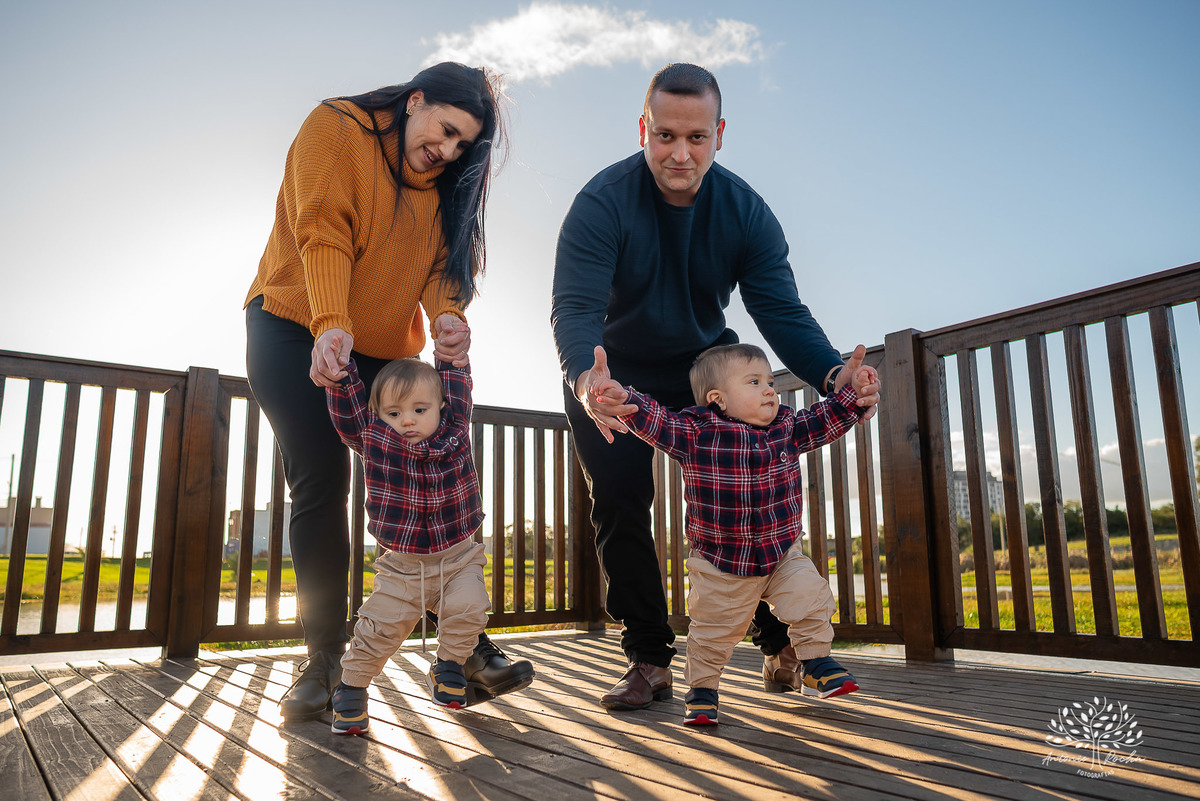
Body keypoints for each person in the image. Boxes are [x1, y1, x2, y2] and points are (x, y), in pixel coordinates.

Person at [550, 62, 881, 710]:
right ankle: (649, 659)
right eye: (665, 135)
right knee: (619, 505)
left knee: (745, 491)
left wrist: (832, 372)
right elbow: (575, 304)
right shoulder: (602, 202)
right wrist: (588, 378)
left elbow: (780, 310)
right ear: (643, 129)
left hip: (702, 366)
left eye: (695, 137)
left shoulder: (743, 211)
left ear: (719, 134)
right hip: (609, 372)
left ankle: (779, 639)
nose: (680, 151)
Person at [244, 62, 533, 722]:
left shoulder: (442, 183)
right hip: (295, 323)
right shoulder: (335, 128)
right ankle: (322, 663)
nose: (449, 150)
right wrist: (331, 329)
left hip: (385, 351)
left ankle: (470, 651)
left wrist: (450, 319)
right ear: (417, 99)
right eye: (446, 131)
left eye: (464, 145)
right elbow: (324, 229)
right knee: (319, 480)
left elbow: (442, 271)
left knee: (427, 477)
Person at [590, 343, 876, 724]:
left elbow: (826, 418)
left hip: (781, 553)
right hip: (721, 562)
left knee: (812, 598)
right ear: (717, 400)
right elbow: (659, 421)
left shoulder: (787, 428)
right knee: (712, 634)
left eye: (771, 381)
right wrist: (625, 399)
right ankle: (703, 690)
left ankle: (816, 660)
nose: (770, 390)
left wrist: (853, 394)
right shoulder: (696, 433)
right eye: (755, 382)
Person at [324, 335, 525, 735]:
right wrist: (342, 375)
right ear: (379, 415)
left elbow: (457, 386)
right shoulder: (375, 440)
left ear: (440, 408)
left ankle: (449, 665)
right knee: (377, 630)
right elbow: (348, 415)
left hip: (459, 556)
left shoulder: (454, 430)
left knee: (470, 608)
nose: (408, 421)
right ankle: (351, 692)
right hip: (402, 566)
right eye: (394, 413)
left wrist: (452, 359)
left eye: (419, 409)